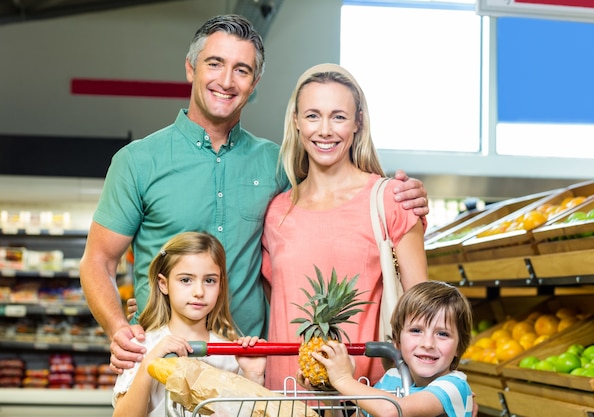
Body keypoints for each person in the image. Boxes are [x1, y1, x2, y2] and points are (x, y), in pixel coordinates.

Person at [79, 14, 429, 374]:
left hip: (251, 365)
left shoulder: (277, 166)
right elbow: (98, 261)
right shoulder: (137, 161)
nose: (226, 81)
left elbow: (337, 198)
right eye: (214, 64)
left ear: (255, 82)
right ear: (190, 68)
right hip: (164, 361)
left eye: (242, 70)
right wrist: (119, 329)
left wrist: (402, 198)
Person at [261, 63, 428, 389]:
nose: (325, 130)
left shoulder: (391, 200)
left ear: (357, 123)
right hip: (285, 396)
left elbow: (423, 306)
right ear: (296, 122)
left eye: (338, 116)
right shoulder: (277, 211)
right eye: (312, 115)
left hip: (368, 394)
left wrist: (444, 384)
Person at [112, 232, 266, 417]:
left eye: (209, 280)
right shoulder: (141, 348)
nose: (199, 292)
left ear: (220, 286)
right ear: (163, 284)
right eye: (186, 280)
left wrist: (253, 376)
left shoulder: (232, 356)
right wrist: (149, 364)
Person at [302, 280, 474, 417]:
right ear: (397, 340)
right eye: (416, 331)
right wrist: (331, 398)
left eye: (442, 334)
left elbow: (393, 411)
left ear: (459, 346)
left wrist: (343, 380)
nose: (428, 343)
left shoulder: (454, 387)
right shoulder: (392, 377)